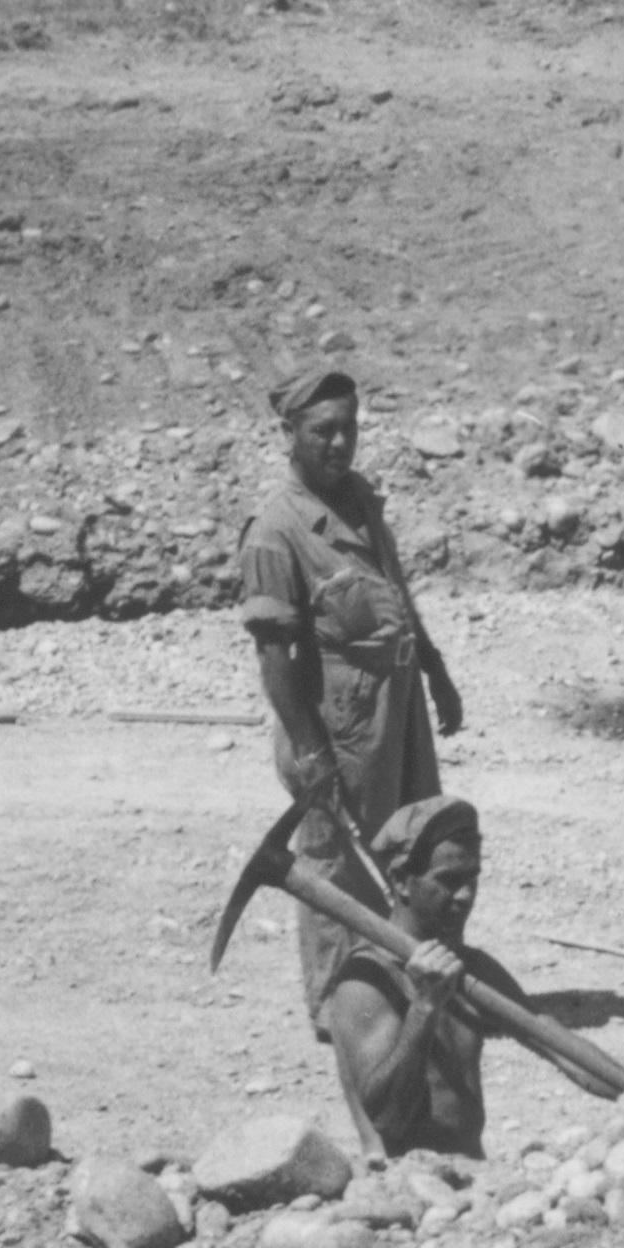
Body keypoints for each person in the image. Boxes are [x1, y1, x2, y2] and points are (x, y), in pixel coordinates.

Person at [241, 368, 463, 1001]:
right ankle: (340, 1002)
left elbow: (393, 591)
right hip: (339, 727)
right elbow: (274, 658)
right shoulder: (276, 533)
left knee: (414, 841)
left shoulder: (361, 501)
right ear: (288, 434)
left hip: (400, 708)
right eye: (323, 431)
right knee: (342, 861)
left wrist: (437, 672)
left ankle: (408, 976)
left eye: (349, 428)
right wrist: (311, 753)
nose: (340, 443)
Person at [316, 795, 520, 1162]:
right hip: (409, 1186)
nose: (466, 896)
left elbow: (558, 1044)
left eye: (473, 879)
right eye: (448, 881)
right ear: (401, 881)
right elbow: (389, 1119)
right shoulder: (364, 984)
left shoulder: (469, 967)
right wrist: (424, 1006)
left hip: (473, 1173)